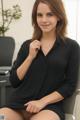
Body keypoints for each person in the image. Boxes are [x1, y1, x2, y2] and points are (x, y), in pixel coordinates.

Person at [0, 0, 79, 120]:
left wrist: (42, 102)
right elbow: (14, 80)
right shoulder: (27, 45)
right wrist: (30, 57)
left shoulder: (71, 46)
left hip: (49, 107)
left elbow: (69, 85)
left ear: (59, 16)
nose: (44, 20)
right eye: (39, 15)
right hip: (18, 105)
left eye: (50, 14)